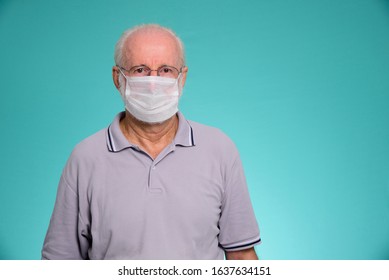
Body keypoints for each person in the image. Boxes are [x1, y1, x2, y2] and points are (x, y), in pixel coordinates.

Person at [42, 24, 260, 260]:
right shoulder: (85, 159)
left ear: (182, 77)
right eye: (140, 69)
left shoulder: (219, 150)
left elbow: (242, 257)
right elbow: (59, 264)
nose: (153, 83)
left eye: (165, 70)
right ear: (118, 78)